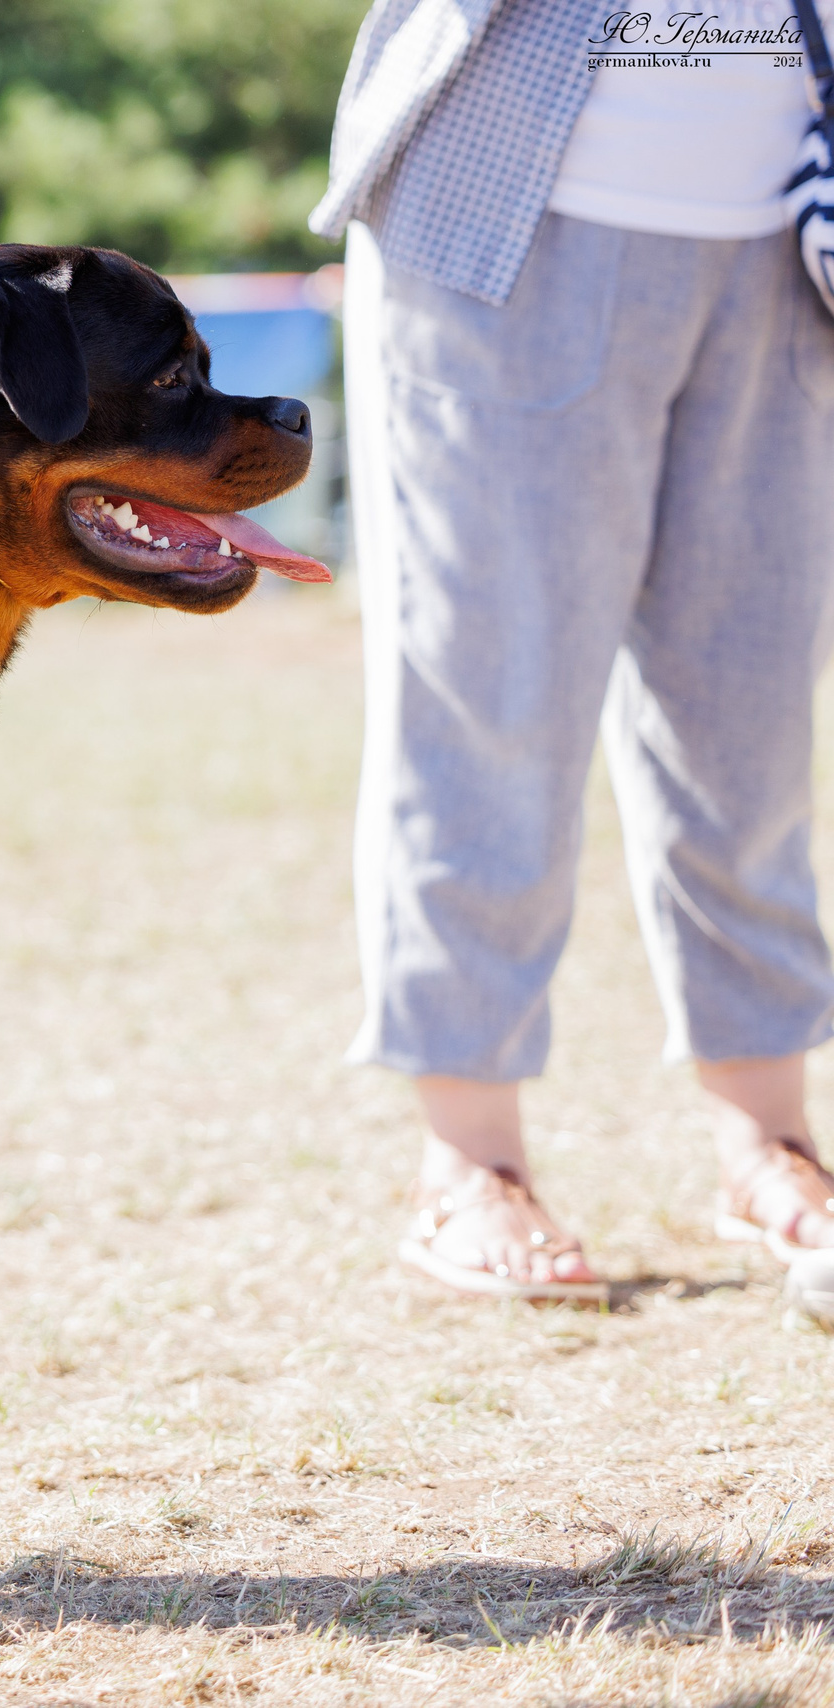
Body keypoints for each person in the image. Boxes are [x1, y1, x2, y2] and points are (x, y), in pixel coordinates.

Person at [315, 0, 834, 1311]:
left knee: (752, 710)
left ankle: (769, 1140)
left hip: (790, 222)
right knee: (491, 694)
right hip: (514, 205)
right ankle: (468, 1160)